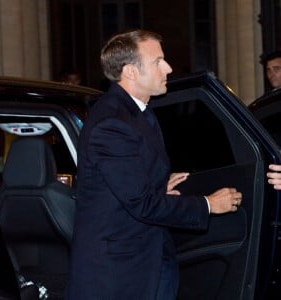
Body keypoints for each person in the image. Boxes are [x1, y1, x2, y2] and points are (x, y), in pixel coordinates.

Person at [67, 29, 242, 300]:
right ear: (131, 72)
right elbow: (141, 203)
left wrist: (157, 185)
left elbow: (128, 184)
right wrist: (209, 204)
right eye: (158, 61)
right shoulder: (112, 124)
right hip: (119, 274)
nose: (168, 68)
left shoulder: (136, 111)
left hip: (147, 258)